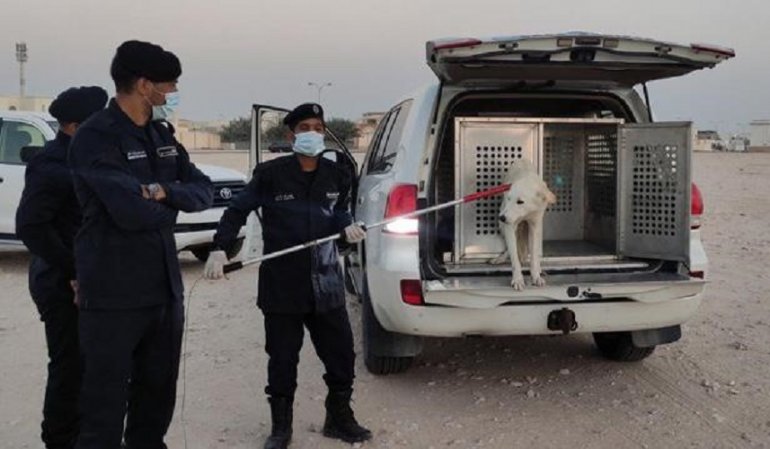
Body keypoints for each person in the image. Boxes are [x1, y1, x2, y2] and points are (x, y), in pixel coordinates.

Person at [68, 40, 214, 449]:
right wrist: (171, 203)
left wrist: (161, 191)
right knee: (103, 412)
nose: (173, 94)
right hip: (113, 294)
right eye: (170, 85)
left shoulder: (160, 133)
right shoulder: (96, 137)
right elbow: (130, 213)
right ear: (145, 84)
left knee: (155, 405)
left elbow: (203, 191)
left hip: (163, 292)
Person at [204, 103, 371, 449]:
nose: (313, 133)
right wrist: (220, 247)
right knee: (282, 359)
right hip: (283, 284)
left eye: (319, 127)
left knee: (341, 355)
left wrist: (347, 228)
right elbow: (238, 210)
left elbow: (338, 212)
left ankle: (339, 418)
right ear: (290, 134)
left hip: (325, 281)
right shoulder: (270, 174)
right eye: (305, 127)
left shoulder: (336, 174)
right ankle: (281, 428)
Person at [15, 85, 108, 449]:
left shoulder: (87, 155)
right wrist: (74, 270)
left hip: (86, 278)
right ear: (75, 125)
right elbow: (31, 227)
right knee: (70, 365)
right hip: (60, 281)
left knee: (93, 365)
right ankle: (59, 440)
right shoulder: (53, 164)